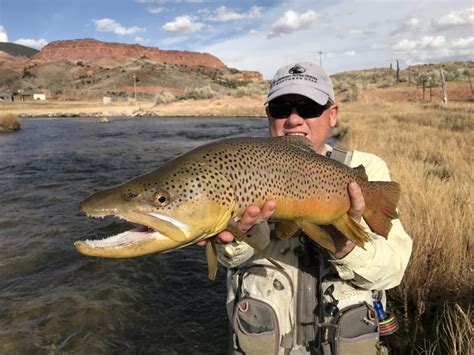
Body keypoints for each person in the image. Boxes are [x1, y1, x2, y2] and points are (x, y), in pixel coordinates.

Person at [205, 62, 413, 354]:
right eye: (281, 108)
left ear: (333, 115)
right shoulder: (246, 167)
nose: (294, 119)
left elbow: (392, 273)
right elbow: (234, 260)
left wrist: (344, 241)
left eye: (308, 107)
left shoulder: (363, 169)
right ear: (269, 116)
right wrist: (233, 239)